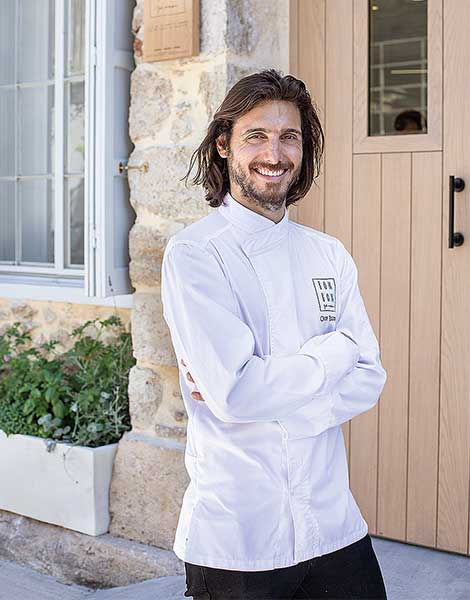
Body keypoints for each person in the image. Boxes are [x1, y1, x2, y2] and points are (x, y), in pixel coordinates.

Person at [161, 69, 388, 599]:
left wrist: (277, 407)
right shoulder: (196, 254)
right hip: (239, 539)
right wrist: (334, 354)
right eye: (256, 136)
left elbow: (370, 376)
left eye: (290, 137)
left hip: (333, 525)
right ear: (223, 145)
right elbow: (238, 393)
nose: (275, 153)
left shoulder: (327, 253)